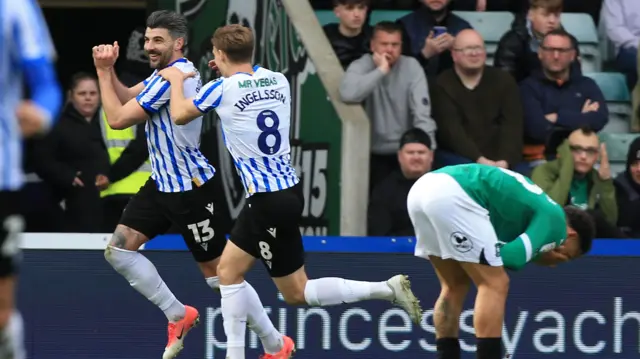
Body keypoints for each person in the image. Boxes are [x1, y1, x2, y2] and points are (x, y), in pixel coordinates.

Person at [157, 24, 423, 359]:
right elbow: (247, 84)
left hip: (265, 199)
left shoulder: (220, 88)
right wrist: (227, 67)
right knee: (296, 292)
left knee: (227, 273)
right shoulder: (278, 79)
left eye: (216, 53)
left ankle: (236, 354)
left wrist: (177, 81)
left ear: (219, 55)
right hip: (288, 193)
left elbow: (180, 114)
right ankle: (387, 289)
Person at [92, 10, 227, 359]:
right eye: (148, 40)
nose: (149, 46)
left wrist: (104, 71)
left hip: (190, 189)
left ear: (178, 43)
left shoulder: (175, 77)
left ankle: (274, 341)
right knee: (119, 251)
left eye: (158, 40)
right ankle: (178, 314)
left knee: (221, 280)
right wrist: (110, 75)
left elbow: (117, 118)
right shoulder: (162, 74)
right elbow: (124, 97)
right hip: (162, 184)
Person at [407, 163, 595, 359]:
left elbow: (495, 252)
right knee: (495, 283)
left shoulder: (534, 209)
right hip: (454, 193)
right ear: (571, 236)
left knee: (454, 285)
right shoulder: (557, 224)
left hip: (423, 189)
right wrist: (531, 253)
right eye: (566, 256)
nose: (556, 262)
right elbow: (513, 258)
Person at [0, 1, 63, 358]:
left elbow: (46, 87)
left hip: (1, 179)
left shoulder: (15, 9)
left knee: (1, 313)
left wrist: (42, 113)